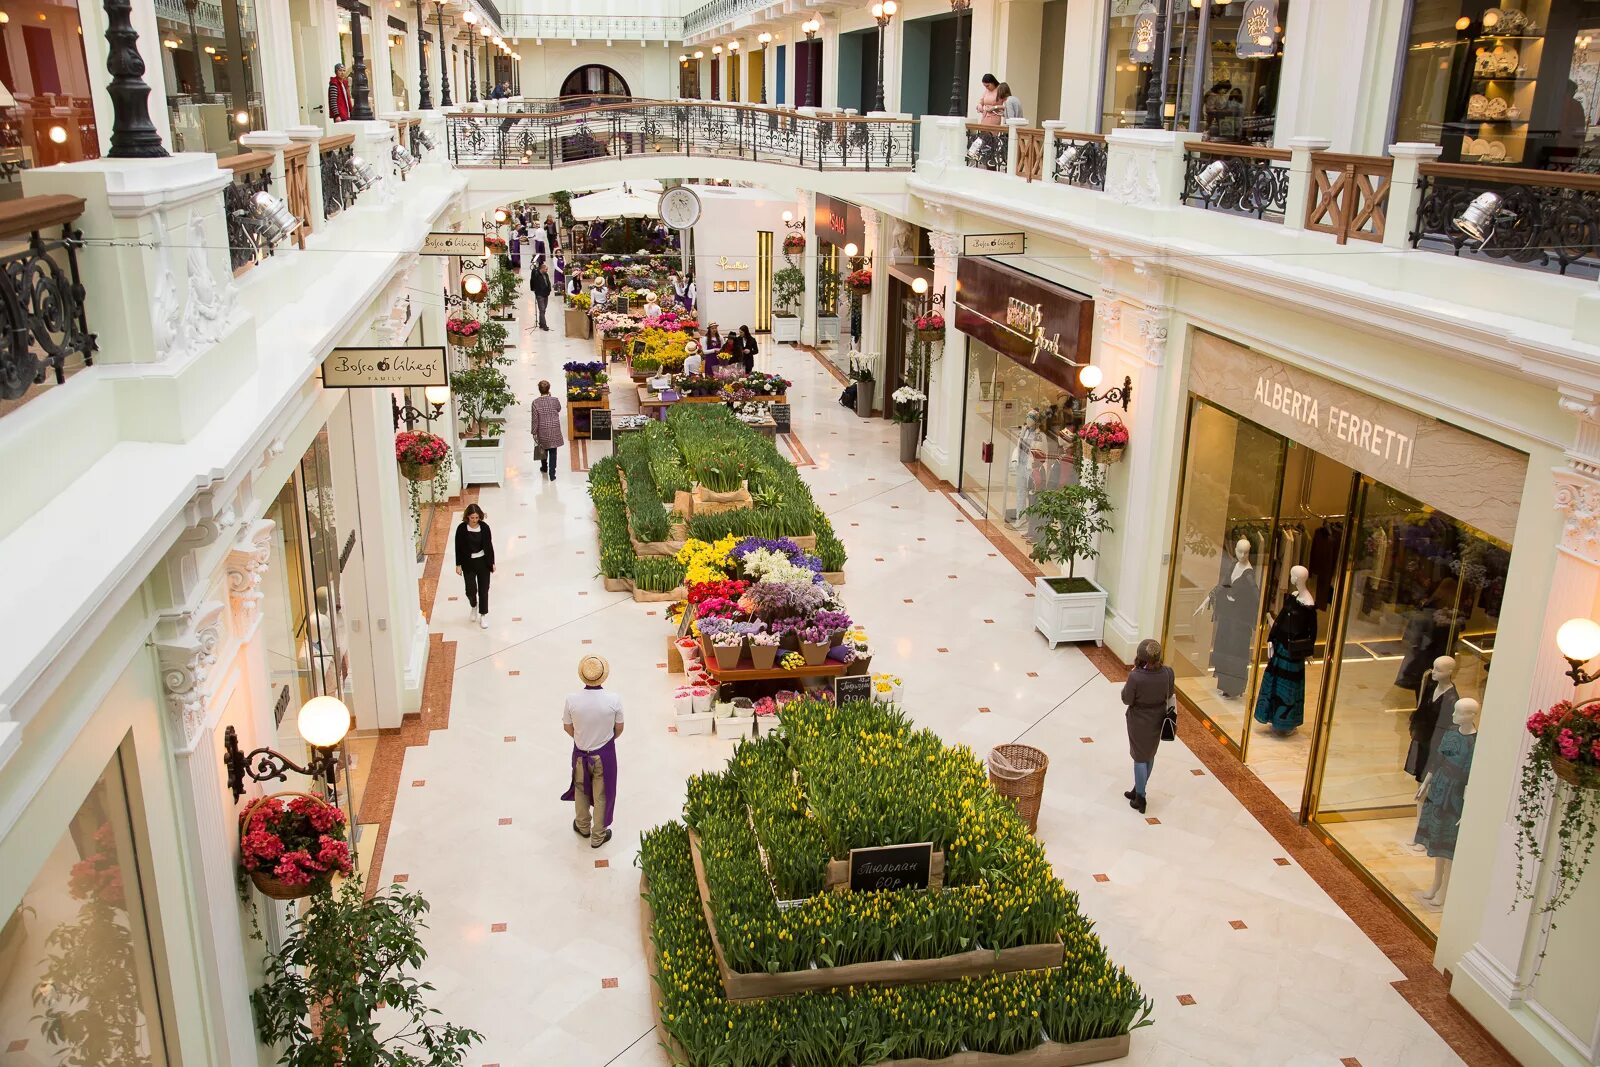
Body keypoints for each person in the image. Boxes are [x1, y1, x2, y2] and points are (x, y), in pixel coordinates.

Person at [559, 655, 623, 848]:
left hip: (580, 753)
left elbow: (567, 726)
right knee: (602, 793)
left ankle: (582, 825)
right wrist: (604, 739)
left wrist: (581, 739)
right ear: (604, 676)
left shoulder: (572, 700)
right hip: (604, 755)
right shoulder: (613, 700)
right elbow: (619, 728)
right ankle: (598, 835)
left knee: (580, 789)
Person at [1121, 638, 1174, 814]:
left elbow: (1127, 699)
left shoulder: (1135, 676)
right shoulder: (1167, 673)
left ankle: (1141, 797)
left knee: (1139, 758)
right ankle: (1138, 788)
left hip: (1138, 719)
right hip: (1158, 718)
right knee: (1149, 754)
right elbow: (1170, 694)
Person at [453, 504, 495, 630]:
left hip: (483, 562)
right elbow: (458, 547)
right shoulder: (461, 529)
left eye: (477, 517)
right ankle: (473, 605)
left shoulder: (485, 527)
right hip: (468, 563)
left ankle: (483, 615)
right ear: (467, 517)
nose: (475, 520)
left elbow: (489, 546)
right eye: (472, 518)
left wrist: (492, 562)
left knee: (484, 589)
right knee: (470, 590)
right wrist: (458, 564)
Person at [532, 379, 564, 480]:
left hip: (542, 430)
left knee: (543, 449)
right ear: (549, 389)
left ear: (539, 390)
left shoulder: (535, 403)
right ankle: (552, 474)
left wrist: (534, 432)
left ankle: (544, 467)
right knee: (553, 451)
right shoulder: (554, 400)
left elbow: (535, 419)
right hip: (554, 429)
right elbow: (559, 409)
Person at [530, 254, 552, 331]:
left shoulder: (546, 275)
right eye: (546, 269)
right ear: (542, 269)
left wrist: (549, 290)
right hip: (540, 294)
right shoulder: (536, 274)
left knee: (543, 310)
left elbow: (548, 283)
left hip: (546, 294)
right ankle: (544, 325)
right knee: (542, 310)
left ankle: (541, 324)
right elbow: (532, 280)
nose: (547, 270)